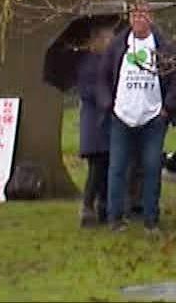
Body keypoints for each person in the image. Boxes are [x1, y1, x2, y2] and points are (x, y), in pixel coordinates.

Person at [94, 2, 176, 231]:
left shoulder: (163, 47)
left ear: (151, 18)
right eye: (134, 15)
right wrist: (109, 105)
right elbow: (102, 78)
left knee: (152, 168)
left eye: (143, 15)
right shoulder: (118, 46)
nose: (139, 19)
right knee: (117, 168)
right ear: (129, 18)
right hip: (122, 117)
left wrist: (167, 109)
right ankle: (115, 218)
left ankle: (150, 219)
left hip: (153, 118)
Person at [74, 26, 117, 227]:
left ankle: (103, 206)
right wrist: (107, 98)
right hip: (95, 123)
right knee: (97, 167)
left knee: (106, 165)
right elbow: (88, 91)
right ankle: (88, 205)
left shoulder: (108, 61)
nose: (111, 41)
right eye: (107, 38)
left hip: (106, 121)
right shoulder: (89, 63)